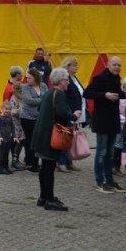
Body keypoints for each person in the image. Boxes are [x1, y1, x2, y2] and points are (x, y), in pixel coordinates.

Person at [31, 67, 77, 211]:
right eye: (66, 80)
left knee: (45, 167)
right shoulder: (60, 94)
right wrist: (74, 115)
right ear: (60, 80)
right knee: (49, 168)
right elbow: (62, 113)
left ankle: (43, 197)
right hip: (50, 136)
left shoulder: (48, 93)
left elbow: (40, 110)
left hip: (41, 134)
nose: (68, 82)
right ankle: (49, 200)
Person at [84, 56, 125, 193]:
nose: (117, 67)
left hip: (113, 120)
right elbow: (87, 93)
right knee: (101, 152)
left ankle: (110, 181)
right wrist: (104, 95)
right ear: (108, 65)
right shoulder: (99, 78)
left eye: (119, 65)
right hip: (102, 120)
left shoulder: (117, 78)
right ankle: (100, 181)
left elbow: (118, 94)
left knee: (110, 153)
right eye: (114, 64)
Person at [59, 56, 86, 172]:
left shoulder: (74, 78)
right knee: (65, 137)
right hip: (69, 112)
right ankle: (61, 162)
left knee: (71, 138)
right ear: (68, 66)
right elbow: (64, 97)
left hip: (77, 113)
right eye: (74, 65)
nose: (76, 67)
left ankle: (69, 161)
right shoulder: (65, 79)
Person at [19, 68, 47, 172]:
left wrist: (41, 101)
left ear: (35, 77)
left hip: (40, 118)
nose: (27, 79)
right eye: (27, 77)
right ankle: (30, 163)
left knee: (38, 141)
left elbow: (47, 97)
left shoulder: (43, 86)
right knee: (30, 141)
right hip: (27, 118)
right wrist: (42, 100)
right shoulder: (25, 87)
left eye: (29, 77)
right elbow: (28, 100)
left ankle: (35, 161)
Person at [0, 101, 16, 174]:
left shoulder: (10, 117)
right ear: (2, 109)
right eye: (6, 109)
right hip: (2, 139)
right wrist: (0, 137)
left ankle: (6, 167)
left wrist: (14, 136)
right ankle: (1, 168)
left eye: (9, 109)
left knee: (7, 153)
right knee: (2, 153)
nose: (8, 110)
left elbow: (13, 127)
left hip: (9, 138)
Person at [9, 83, 26, 170]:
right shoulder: (13, 99)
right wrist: (21, 110)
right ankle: (14, 160)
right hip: (14, 124)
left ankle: (16, 158)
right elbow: (11, 111)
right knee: (18, 141)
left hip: (20, 123)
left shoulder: (20, 99)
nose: (22, 94)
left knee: (21, 140)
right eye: (20, 92)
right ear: (16, 92)